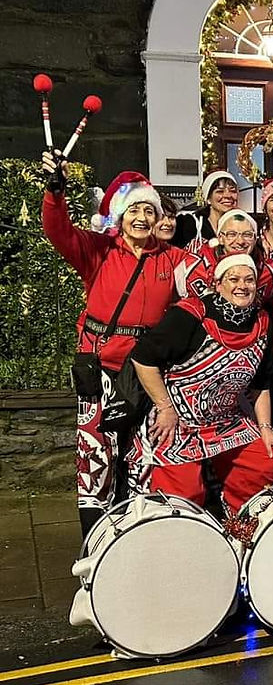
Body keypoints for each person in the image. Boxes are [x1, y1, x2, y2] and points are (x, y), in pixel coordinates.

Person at [41, 152, 187, 534]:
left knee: (143, 455)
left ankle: (135, 536)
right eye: (134, 209)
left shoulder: (173, 259)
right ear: (120, 216)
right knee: (95, 457)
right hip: (100, 369)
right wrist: (55, 193)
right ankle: (95, 543)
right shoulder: (98, 251)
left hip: (147, 373)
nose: (141, 217)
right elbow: (60, 232)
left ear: (158, 219)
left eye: (149, 210)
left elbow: (207, 283)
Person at [129, 254, 273, 515]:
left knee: (268, 460)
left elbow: (261, 383)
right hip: (178, 421)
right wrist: (165, 407)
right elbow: (143, 358)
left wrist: (265, 428)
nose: (242, 286)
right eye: (233, 279)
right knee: (183, 497)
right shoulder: (190, 314)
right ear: (217, 283)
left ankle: (244, 525)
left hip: (226, 421)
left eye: (249, 280)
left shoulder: (263, 322)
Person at [178, 209, 273, 308]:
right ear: (220, 238)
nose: (240, 241)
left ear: (255, 239)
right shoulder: (192, 267)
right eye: (232, 234)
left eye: (247, 235)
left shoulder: (268, 272)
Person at [172, 170, 239, 252]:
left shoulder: (242, 225)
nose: (228, 195)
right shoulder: (188, 223)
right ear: (208, 198)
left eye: (233, 191)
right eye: (220, 191)